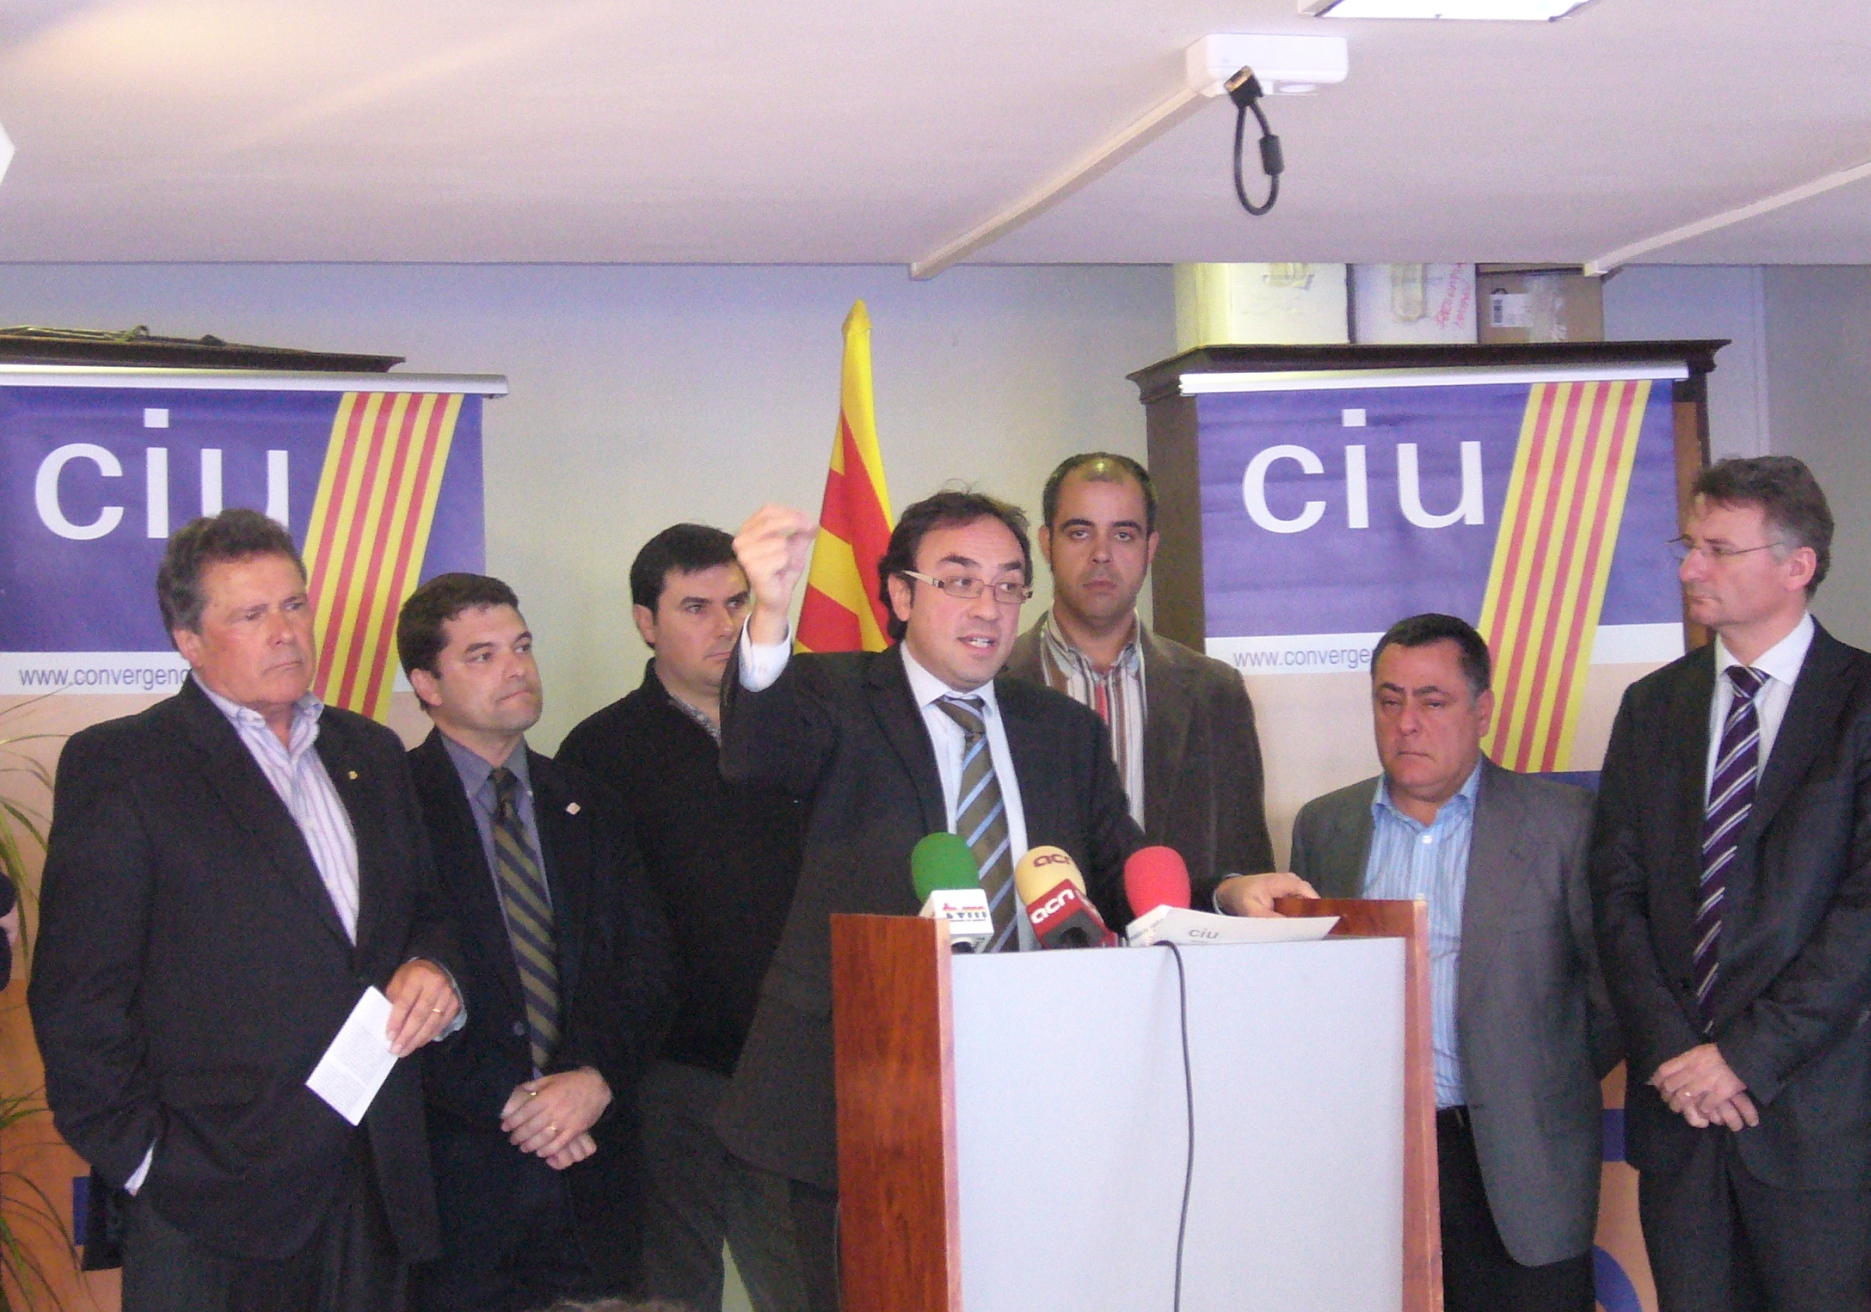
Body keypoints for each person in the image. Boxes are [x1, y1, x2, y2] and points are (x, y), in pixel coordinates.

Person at [714, 490, 1145, 1311]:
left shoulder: (1060, 730)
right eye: (958, 582)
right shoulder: (830, 697)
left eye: (1009, 585)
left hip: (1032, 1087)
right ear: (901, 595)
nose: (988, 608)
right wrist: (770, 613)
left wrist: (1227, 886)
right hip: (859, 1089)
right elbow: (758, 757)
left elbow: (1117, 865)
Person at [29, 508, 463, 1312]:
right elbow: (77, 996)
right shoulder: (125, 765)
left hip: (378, 1179)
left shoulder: (368, 751)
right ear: (188, 641)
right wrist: (151, 1166)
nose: (285, 633)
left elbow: (429, 912)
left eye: (294, 605)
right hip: (215, 1201)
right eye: (251, 614)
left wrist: (436, 968)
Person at [1223, 614, 1618, 1312]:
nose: (1406, 723)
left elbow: (1607, 995)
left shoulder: (1562, 823)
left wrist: (1533, 1081)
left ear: (1482, 710)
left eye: (1431, 701)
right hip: (1373, 1164)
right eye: (1388, 699)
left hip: (1519, 1164)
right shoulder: (1325, 826)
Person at [1593, 455, 1871, 1312]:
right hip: (1681, 1121)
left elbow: (1862, 916)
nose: (1687, 569)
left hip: (1811, 1120)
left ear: (1797, 566)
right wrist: (1679, 1057)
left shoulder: (1860, 702)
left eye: (1717, 549)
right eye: (1688, 544)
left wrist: (1742, 1060)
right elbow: (1617, 893)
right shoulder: (1652, 706)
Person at [398, 574, 670, 1312]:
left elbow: (645, 967)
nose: (516, 668)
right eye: (481, 656)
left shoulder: (586, 801)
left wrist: (593, 1079)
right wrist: (522, 1108)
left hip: (594, 1181)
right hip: (457, 1194)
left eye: (521, 647)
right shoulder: (390, 807)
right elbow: (382, 989)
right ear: (426, 682)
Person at [558, 525, 809, 1312]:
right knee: (673, 1293)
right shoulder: (599, 753)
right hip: (668, 1081)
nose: (725, 625)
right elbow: (592, 939)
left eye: (737, 602)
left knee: (808, 1286)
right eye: (695, 607)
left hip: (794, 1070)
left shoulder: (803, 730)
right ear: (645, 623)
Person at [1007, 453, 1274, 901]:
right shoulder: (996, 682)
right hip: (1035, 961)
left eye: (1123, 534)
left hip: (1181, 960)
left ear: (1150, 548)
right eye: (1079, 532)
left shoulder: (1216, 693)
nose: (1102, 554)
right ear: (1046, 543)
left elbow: (1245, 868)